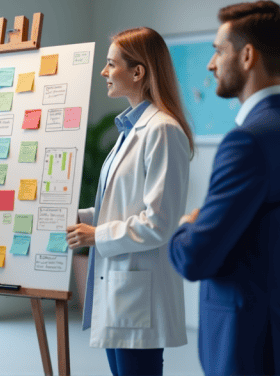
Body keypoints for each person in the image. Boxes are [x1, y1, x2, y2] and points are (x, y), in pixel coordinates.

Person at [168, 0, 280, 375]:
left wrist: (185, 223)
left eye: (217, 51)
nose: (211, 64)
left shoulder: (247, 142)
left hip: (249, 350)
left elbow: (195, 257)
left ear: (246, 56)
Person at [66, 27, 194, 376]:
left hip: (139, 293)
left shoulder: (162, 130)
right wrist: (75, 215)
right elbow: (120, 207)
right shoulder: (130, 130)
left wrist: (94, 236)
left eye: (111, 64)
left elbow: (159, 222)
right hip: (121, 288)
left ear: (138, 72)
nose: (104, 72)